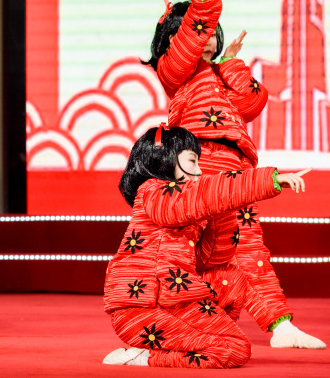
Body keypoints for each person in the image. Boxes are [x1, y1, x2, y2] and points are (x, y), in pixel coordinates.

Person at [144, 0, 325, 349]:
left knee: (247, 248)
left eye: (213, 33)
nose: (207, 39)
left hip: (235, 169)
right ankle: (173, 323)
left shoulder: (220, 75)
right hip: (194, 168)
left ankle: (279, 325)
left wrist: (231, 64)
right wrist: (203, 2)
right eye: (200, 32)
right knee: (185, 251)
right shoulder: (173, 71)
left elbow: (252, 103)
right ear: (173, 39)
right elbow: (186, 48)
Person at [103, 125, 308, 368]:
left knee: (231, 277)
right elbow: (203, 195)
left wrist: (223, 211)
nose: (199, 171)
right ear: (165, 158)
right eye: (192, 161)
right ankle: (147, 357)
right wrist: (267, 180)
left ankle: (206, 336)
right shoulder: (153, 192)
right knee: (234, 350)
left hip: (172, 294)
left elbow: (210, 259)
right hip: (144, 305)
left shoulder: (185, 207)